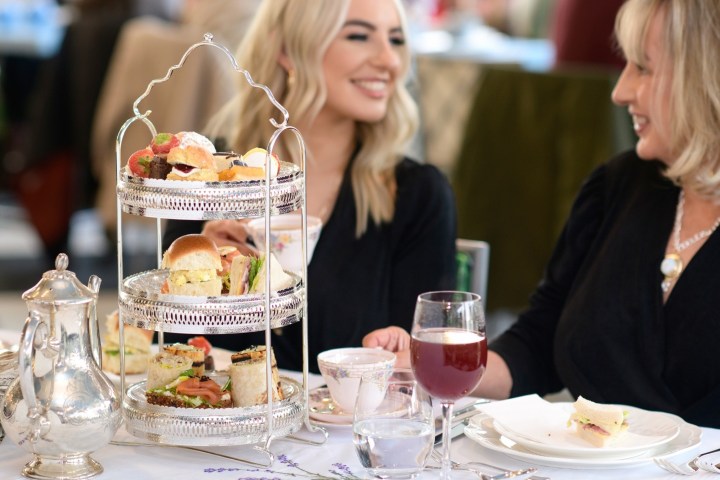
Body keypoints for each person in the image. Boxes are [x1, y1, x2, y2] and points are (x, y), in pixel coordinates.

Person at [366, 0, 720, 428]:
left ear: (707, 76)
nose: (619, 91)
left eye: (643, 68)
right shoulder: (619, 186)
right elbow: (540, 341)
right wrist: (432, 364)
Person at [162, 0, 457, 373]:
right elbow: (168, 349)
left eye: (396, 39)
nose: (389, 60)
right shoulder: (201, 173)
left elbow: (423, 372)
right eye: (359, 36)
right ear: (286, 49)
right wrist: (203, 272)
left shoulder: (418, 196)